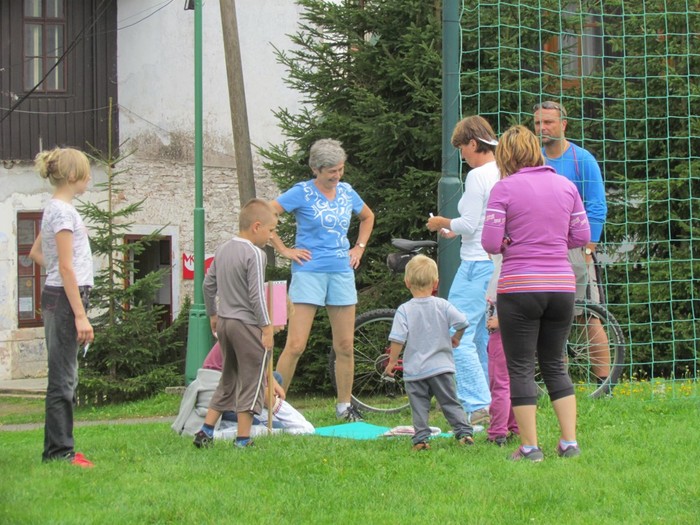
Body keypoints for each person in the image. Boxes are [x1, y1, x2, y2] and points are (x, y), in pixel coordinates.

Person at [481, 125, 591, 461]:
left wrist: (510, 242)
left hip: (519, 287)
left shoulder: (503, 189)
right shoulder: (566, 185)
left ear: (505, 156)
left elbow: (490, 243)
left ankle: (530, 447)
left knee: (520, 367)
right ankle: (569, 443)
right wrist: (553, 241)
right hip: (561, 286)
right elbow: (581, 235)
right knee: (555, 364)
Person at [269, 139, 375, 421]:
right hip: (308, 273)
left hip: (341, 272)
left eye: (340, 169)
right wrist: (284, 250)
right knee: (295, 345)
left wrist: (359, 247)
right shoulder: (301, 192)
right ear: (316, 169)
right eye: (331, 171)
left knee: (345, 346)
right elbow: (266, 214)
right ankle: (275, 409)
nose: (337, 175)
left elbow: (367, 217)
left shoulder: (347, 191)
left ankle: (344, 407)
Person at [427, 115, 500, 426]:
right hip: (493, 263)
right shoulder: (502, 170)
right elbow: (480, 222)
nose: (463, 156)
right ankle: (492, 404)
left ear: (473, 143)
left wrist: (441, 222)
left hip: (474, 264)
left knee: (455, 334)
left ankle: (478, 405)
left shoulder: (477, 175)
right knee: (480, 336)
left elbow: (470, 223)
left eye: (462, 149)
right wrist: (455, 230)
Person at [193, 199, 283, 449]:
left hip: (225, 322)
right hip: (246, 325)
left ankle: (206, 431)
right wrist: (266, 327)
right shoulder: (255, 254)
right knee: (253, 380)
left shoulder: (223, 249)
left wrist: (213, 314)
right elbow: (257, 295)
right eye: (271, 230)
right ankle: (243, 439)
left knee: (228, 377)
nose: (271, 236)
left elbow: (208, 285)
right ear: (256, 226)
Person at [533, 101, 611, 383]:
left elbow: (597, 206)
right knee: (550, 318)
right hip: (541, 250)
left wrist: (589, 247)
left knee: (588, 316)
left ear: (563, 125)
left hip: (575, 250)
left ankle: (604, 384)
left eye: (548, 122)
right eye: (538, 123)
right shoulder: (533, 158)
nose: (542, 128)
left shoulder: (582, 160)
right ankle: (559, 382)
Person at [28, 147, 95, 468]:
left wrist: (59, 271)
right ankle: (60, 452)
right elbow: (66, 267)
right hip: (67, 300)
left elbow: (36, 252)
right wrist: (81, 315)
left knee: (65, 376)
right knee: (63, 379)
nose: (89, 179)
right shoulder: (64, 212)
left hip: (61, 296)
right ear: (71, 176)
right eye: (85, 173)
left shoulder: (55, 209)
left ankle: (59, 449)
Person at [384, 255, 475, 451]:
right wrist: (457, 337)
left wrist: (392, 361)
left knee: (419, 406)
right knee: (450, 402)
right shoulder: (442, 305)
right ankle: (464, 433)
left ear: (407, 282)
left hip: (415, 370)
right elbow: (463, 322)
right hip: (442, 367)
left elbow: (398, 339)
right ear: (436, 283)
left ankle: (421, 439)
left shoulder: (404, 310)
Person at [173, 342, 314, 438]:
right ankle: (224, 425)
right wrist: (298, 422)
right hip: (219, 398)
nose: (283, 327)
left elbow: (262, 373)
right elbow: (264, 394)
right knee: (278, 428)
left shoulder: (248, 332)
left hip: (231, 389)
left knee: (277, 377)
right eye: (282, 321)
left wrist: (271, 381)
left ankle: (253, 416)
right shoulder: (250, 341)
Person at [484, 255, 519, 446]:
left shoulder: (504, 267)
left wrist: (501, 319)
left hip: (502, 332)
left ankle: (497, 432)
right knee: (515, 380)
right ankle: (516, 427)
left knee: (500, 383)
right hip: (520, 332)